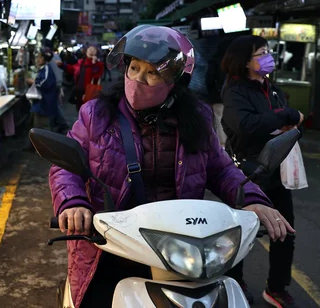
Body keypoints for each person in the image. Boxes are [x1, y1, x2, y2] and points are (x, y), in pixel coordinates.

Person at [49, 26, 293, 308]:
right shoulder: (96, 114)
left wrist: (252, 200)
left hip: (179, 244)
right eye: (134, 68)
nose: (138, 79)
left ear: (176, 79)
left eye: (152, 72)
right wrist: (74, 203)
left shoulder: (197, 118)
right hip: (110, 243)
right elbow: (66, 165)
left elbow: (220, 168)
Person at [221, 35, 303, 307]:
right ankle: (236, 283)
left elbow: (289, 123)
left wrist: (283, 119)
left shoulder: (272, 88)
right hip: (248, 173)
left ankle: (276, 287)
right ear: (246, 61)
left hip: (277, 171)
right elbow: (245, 126)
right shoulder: (234, 91)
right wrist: (286, 116)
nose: (268, 57)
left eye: (268, 51)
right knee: (242, 234)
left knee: (285, 232)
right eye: (262, 52)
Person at [59, 45, 104, 111]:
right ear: (86, 52)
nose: (91, 51)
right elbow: (72, 69)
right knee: (80, 110)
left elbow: (96, 77)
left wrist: (94, 64)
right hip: (79, 90)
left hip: (90, 91)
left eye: (94, 50)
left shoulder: (100, 64)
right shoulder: (81, 62)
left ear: (96, 53)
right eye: (90, 49)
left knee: (89, 111)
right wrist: (62, 65)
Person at [26, 50, 58, 131]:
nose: (37, 59)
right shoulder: (43, 69)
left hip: (44, 102)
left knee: (43, 126)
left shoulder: (47, 69)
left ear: (44, 59)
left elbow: (45, 83)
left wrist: (33, 81)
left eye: (40, 57)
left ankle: (44, 143)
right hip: (40, 103)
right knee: (38, 125)